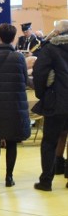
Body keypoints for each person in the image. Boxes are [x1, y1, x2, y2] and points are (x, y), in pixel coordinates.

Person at [0, 23, 30, 187]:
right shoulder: (19, 57)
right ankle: (9, 177)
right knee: (11, 141)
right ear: (13, 38)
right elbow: (24, 80)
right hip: (14, 104)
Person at [32, 19, 68, 191]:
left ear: (57, 33)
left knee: (49, 142)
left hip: (56, 101)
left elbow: (39, 73)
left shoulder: (50, 49)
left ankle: (46, 180)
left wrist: (42, 94)